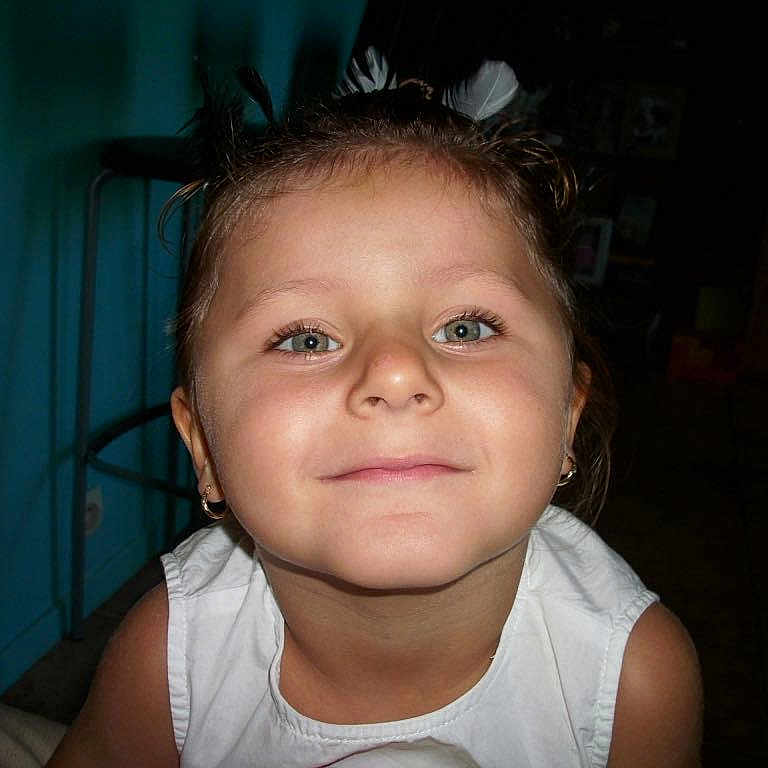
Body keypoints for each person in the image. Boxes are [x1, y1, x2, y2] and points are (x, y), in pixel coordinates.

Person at [48, 62, 703, 767]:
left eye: (466, 328)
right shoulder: (169, 652)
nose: (394, 373)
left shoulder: (633, 679)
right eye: (305, 338)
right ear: (203, 446)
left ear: (566, 419)